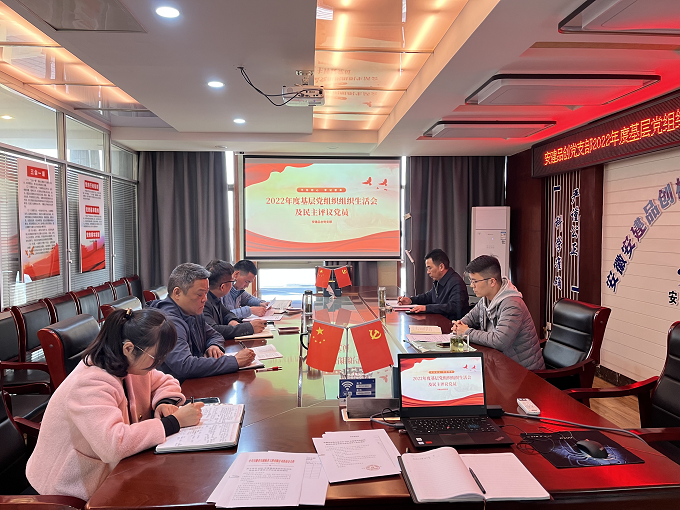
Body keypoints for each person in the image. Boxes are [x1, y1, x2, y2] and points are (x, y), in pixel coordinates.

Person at [25, 308, 204, 501]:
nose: (158, 363)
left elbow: (165, 381)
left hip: (116, 471)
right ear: (128, 348)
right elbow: (113, 445)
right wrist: (173, 422)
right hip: (68, 491)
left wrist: (164, 402)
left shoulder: (129, 364)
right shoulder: (90, 383)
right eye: (156, 357)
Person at [149, 263, 256, 381]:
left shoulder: (192, 311)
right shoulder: (168, 322)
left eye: (206, 293)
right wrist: (235, 361)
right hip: (179, 386)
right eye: (200, 294)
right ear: (177, 293)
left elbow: (215, 334)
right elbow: (185, 365)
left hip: (196, 380)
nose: (205, 299)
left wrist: (214, 345)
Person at [452, 255, 545, 370]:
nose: (472, 285)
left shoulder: (512, 304)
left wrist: (466, 332)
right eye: (471, 281)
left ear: (492, 281)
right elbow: (470, 318)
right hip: (500, 363)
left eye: (475, 281)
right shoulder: (486, 299)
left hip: (523, 371)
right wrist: (459, 325)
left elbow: (500, 341)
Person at [397, 249, 469, 320]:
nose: (428, 272)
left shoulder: (456, 282)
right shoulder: (439, 280)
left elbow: (454, 307)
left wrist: (426, 308)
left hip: (451, 324)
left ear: (441, 267)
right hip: (439, 320)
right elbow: (429, 296)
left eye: (430, 268)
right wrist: (411, 300)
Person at [204, 259, 267, 339]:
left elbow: (227, 313)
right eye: (232, 281)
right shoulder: (203, 301)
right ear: (223, 287)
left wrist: (232, 321)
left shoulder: (215, 298)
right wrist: (249, 328)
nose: (233, 284)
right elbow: (212, 330)